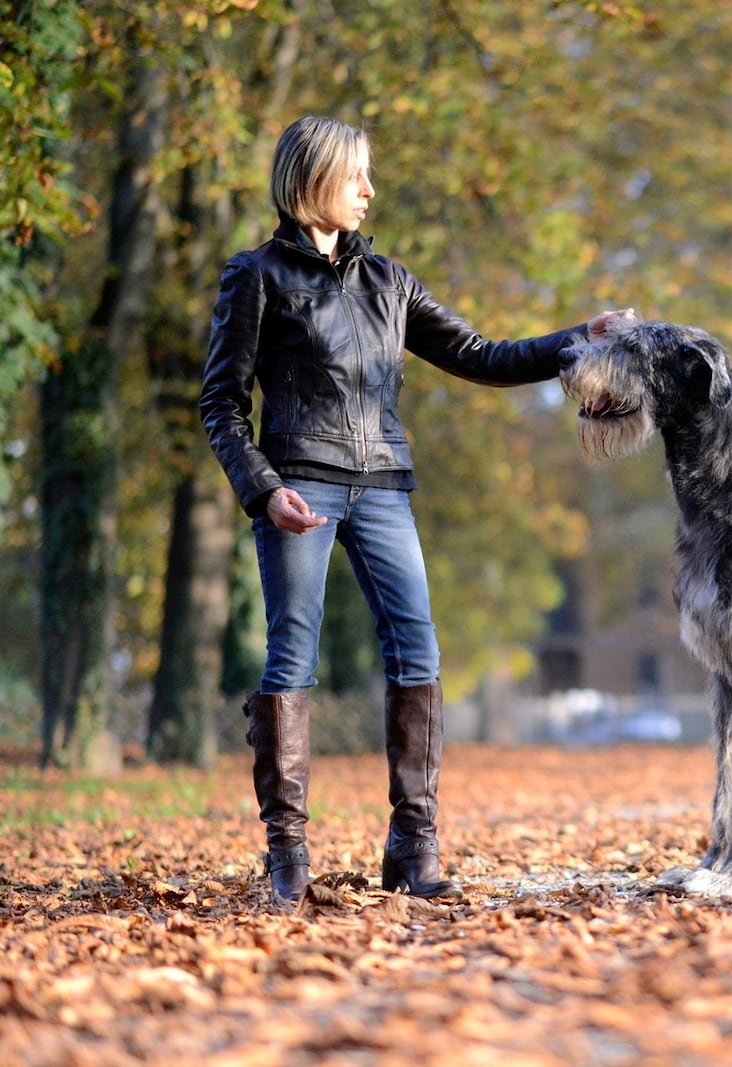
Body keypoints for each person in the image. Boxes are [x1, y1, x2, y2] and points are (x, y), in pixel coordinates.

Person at [200, 115, 630, 905]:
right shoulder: (255, 275)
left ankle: (413, 845)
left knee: (418, 651)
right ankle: (287, 852)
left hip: (386, 484)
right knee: (292, 655)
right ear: (313, 181)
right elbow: (221, 405)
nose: (370, 190)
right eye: (355, 175)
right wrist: (264, 489)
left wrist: (579, 338)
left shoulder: (389, 281)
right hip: (300, 483)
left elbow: (480, 355)